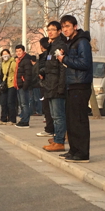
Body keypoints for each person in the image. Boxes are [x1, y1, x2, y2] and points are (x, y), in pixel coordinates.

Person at [57, 15, 92, 163]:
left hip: (80, 85)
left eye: (68, 26)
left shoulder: (82, 42)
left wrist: (65, 59)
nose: (65, 30)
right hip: (72, 84)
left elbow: (85, 63)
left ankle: (82, 153)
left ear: (75, 27)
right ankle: (73, 150)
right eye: (63, 27)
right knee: (71, 121)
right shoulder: (71, 43)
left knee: (79, 120)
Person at [40, 21, 68, 152]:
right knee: (53, 115)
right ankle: (57, 137)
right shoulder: (51, 46)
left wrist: (61, 87)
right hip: (49, 85)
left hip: (56, 86)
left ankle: (59, 142)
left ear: (59, 31)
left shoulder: (60, 46)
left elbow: (62, 69)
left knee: (58, 116)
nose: (50, 32)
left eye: (53, 29)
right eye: (48, 29)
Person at [14, 44, 32, 128]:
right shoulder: (19, 60)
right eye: (17, 51)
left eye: (20, 51)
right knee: (22, 104)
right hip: (19, 85)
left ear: (23, 51)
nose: (18, 53)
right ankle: (23, 119)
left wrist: (25, 85)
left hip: (23, 86)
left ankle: (25, 121)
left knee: (25, 104)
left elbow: (28, 74)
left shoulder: (26, 60)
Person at [0, 49, 17, 125]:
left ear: (9, 54)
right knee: (3, 102)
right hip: (5, 84)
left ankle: (12, 119)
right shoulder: (3, 63)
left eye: (6, 54)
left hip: (11, 84)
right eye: (3, 54)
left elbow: (16, 73)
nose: (5, 56)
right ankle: (3, 118)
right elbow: (3, 74)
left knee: (10, 102)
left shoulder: (13, 62)